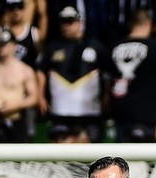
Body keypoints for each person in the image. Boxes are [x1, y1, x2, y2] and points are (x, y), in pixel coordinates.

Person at [36, 6, 107, 143]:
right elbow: (41, 71)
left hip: (89, 112)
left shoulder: (95, 46)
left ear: (80, 22)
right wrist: (40, 96)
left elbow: (108, 74)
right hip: (60, 112)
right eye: (63, 22)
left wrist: (106, 97)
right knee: (59, 150)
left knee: (89, 152)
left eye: (70, 21)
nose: (66, 26)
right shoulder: (52, 47)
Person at [107, 10, 156, 143]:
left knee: (121, 158)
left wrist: (107, 105)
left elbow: (106, 81)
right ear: (149, 24)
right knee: (147, 157)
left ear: (131, 25)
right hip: (147, 111)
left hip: (120, 110)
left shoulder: (115, 47)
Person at [0, 29, 37, 142]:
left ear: (14, 46)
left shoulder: (25, 70)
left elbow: (34, 97)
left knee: (17, 157)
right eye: (0, 45)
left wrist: (16, 105)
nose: (2, 48)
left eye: (5, 45)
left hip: (16, 120)